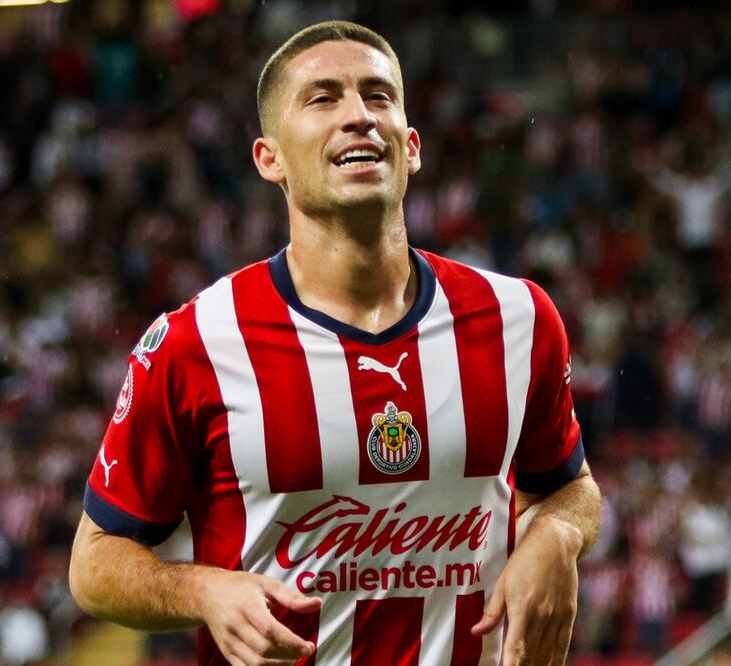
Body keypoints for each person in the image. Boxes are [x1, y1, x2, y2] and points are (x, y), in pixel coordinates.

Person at [68, 20, 601, 666]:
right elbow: (94, 563)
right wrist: (202, 590)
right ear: (270, 159)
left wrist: (556, 534)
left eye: (377, 96)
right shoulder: (196, 343)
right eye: (323, 99)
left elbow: (570, 487)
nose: (358, 116)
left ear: (411, 146)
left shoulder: (517, 318)